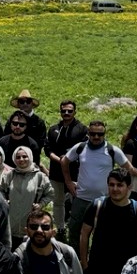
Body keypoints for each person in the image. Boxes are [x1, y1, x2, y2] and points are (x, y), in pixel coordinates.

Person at [61, 120, 137, 243]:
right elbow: (64, 161)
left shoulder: (112, 150)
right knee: (75, 232)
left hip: (104, 201)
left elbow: (129, 169)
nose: (96, 137)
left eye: (100, 134)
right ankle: (76, 260)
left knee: (104, 235)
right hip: (81, 198)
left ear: (104, 134)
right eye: (93, 133)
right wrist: (68, 182)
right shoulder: (80, 147)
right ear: (88, 133)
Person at [45, 100, 87, 238]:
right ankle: (61, 228)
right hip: (56, 172)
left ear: (75, 111)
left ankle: (77, 228)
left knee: (77, 201)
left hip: (76, 172)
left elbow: (85, 150)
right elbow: (47, 149)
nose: (67, 113)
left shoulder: (82, 129)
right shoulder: (53, 129)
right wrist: (60, 160)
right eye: (64, 111)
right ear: (60, 112)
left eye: (70, 111)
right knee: (58, 201)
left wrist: (69, 159)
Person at [0, 146, 54, 248]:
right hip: (11, 221)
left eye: (24, 156)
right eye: (18, 157)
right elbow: (0, 190)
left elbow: (50, 194)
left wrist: (40, 204)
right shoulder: (9, 175)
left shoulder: (40, 176)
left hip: (31, 222)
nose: (21, 159)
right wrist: (4, 200)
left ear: (30, 157)